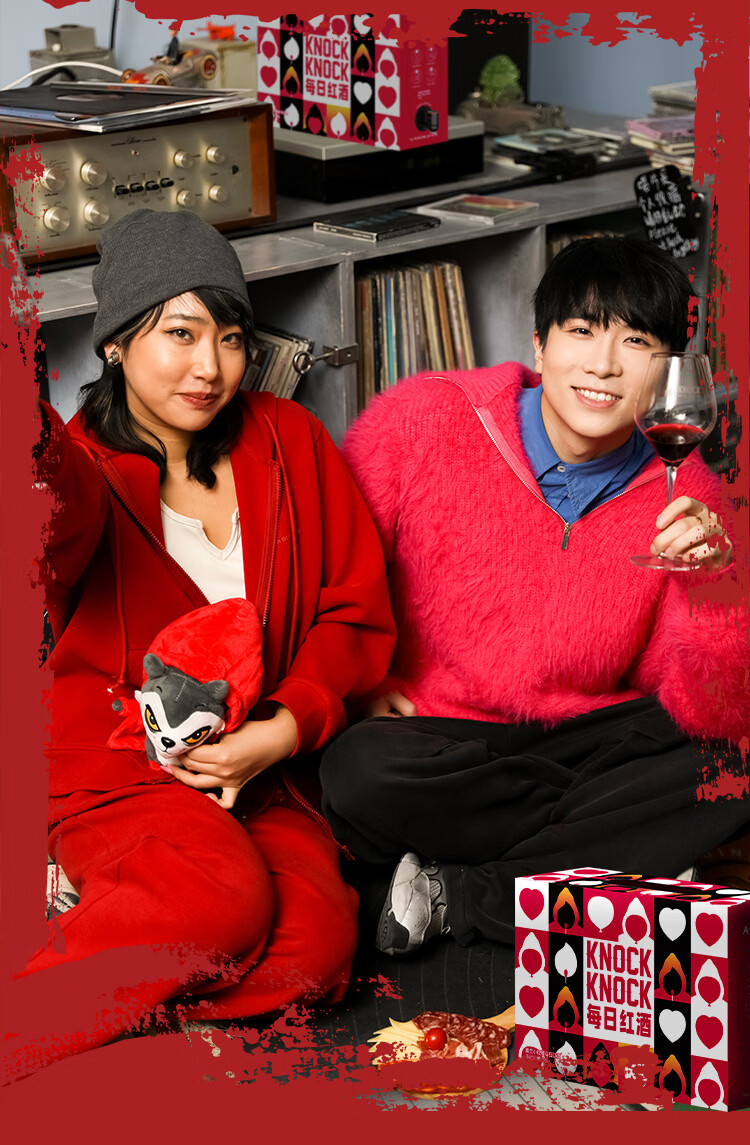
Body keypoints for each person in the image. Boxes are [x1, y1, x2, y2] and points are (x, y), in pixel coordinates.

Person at [6, 209, 395, 1082]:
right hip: (118, 775)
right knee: (222, 902)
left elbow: (352, 612)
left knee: (317, 951)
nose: (210, 366)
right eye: (179, 334)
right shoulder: (81, 469)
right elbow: (54, 505)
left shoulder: (289, 439)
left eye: (229, 337)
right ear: (115, 343)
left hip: (259, 772)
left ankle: (107, 964)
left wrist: (282, 730)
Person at [319, 236, 749, 957]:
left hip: (584, 738)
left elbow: (704, 703)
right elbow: (327, 570)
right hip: (437, 734)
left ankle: (465, 894)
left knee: (730, 766)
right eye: (581, 331)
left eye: (636, 342)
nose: (604, 365)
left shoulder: (691, 496)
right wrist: (362, 681)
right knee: (355, 774)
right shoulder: (422, 421)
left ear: (666, 370)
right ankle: (608, 855)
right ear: (540, 345)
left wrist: (713, 582)